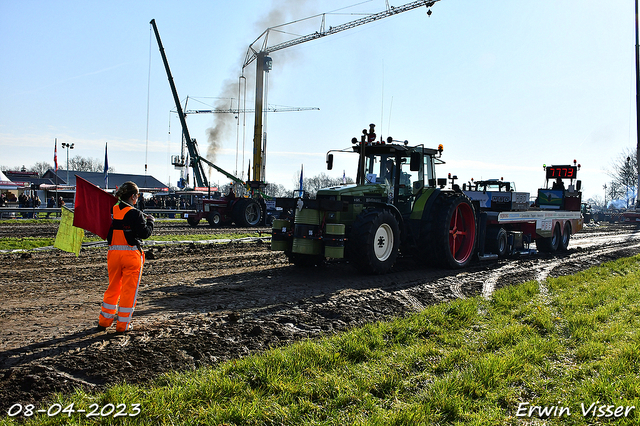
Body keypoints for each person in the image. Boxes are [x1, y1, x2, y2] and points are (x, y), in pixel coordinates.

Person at [97, 181, 154, 334]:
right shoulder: (136, 214)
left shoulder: (112, 210)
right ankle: (122, 325)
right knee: (128, 291)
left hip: (113, 254)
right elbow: (144, 234)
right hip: (131, 255)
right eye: (138, 196)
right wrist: (151, 222)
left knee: (113, 287)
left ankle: (104, 321)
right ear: (133, 196)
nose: (138, 198)